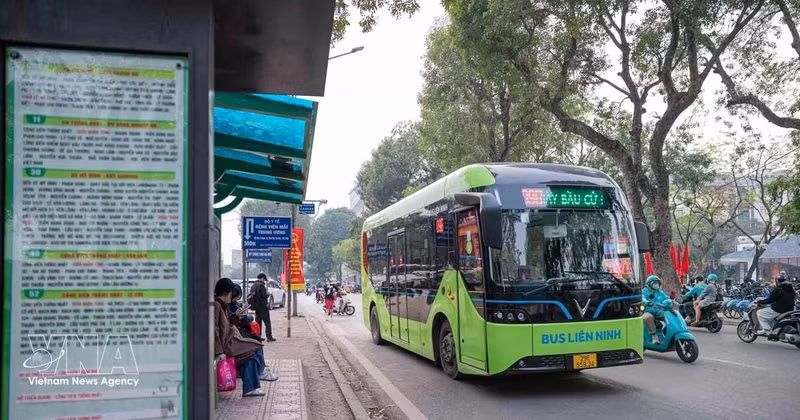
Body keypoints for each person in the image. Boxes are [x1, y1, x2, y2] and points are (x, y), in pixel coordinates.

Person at [214, 278, 277, 397]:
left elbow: (226, 323)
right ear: (227, 293)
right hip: (227, 344)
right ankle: (254, 381)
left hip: (230, 340)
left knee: (255, 347)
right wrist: (219, 351)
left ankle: (252, 384)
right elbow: (215, 330)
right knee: (255, 348)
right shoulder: (217, 305)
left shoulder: (222, 305)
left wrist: (235, 316)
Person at [642, 275, 670, 345]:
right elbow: (642, 299)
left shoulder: (660, 292)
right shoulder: (644, 291)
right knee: (647, 317)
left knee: (670, 316)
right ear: (649, 284)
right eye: (655, 283)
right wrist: (648, 303)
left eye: (658, 283)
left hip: (659, 311)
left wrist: (668, 301)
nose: (656, 284)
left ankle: (667, 332)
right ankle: (654, 336)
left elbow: (667, 298)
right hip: (648, 311)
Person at [250, 273, 276, 342]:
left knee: (258, 322)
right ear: (262, 278)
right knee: (267, 322)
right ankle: (269, 337)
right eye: (264, 279)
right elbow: (264, 296)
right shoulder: (261, 286)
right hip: (263, 307)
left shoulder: (253, 286)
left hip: (256, 307)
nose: (264, 281)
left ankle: (258, 337)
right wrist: (268, 294)